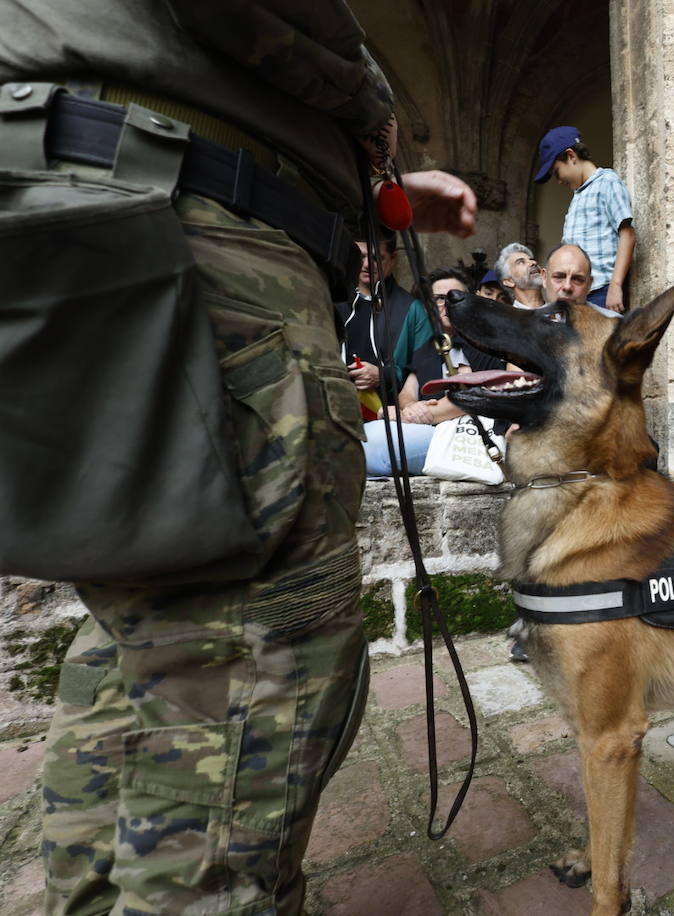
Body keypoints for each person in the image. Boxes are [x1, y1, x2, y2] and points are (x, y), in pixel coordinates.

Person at [0, 3, 477, 913]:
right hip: (189, 233)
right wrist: (368, 108)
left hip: (79, 200)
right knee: (254, 658)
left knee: (151, 635)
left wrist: (365, 190)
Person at [362, 269, 499, 476]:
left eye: (456, 297)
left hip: (469, 435)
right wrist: (410, 407)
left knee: (375, 443)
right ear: (428, 307)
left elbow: (472, 397)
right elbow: (407, 391)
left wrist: (415, 416)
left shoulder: (486, 343)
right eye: (440, 299)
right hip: (431, 431)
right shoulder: (426, 348)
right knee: (366, 437)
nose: (448, 305)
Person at [533, 126, 636, 313]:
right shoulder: (577, 197)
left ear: (571, 156)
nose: (558, 181)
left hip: (602, 291)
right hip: (576, 294)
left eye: (557, 171)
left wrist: (616, 285)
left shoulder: (607, 181)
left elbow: (627, 235)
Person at [336, 231, 420, 397]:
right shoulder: (332, 300)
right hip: (336, 400)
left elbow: (424, 367)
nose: (367, 264)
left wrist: (384, 375)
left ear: (393, 258)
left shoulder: (411, 308)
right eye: (360, 257)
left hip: (388, 411)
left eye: (377, 258)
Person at [545, 242, 622, 318]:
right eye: (559, 277)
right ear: (544, 278)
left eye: (577, 279)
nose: (567, 287)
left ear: (589, 285)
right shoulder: (532, 324)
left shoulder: (615, 326)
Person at [495, 241, 546, 310]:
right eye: (521, 262)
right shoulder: (508, 319)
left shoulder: (561, 315)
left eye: (532, 259)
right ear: (509, 281)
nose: (533, 263)